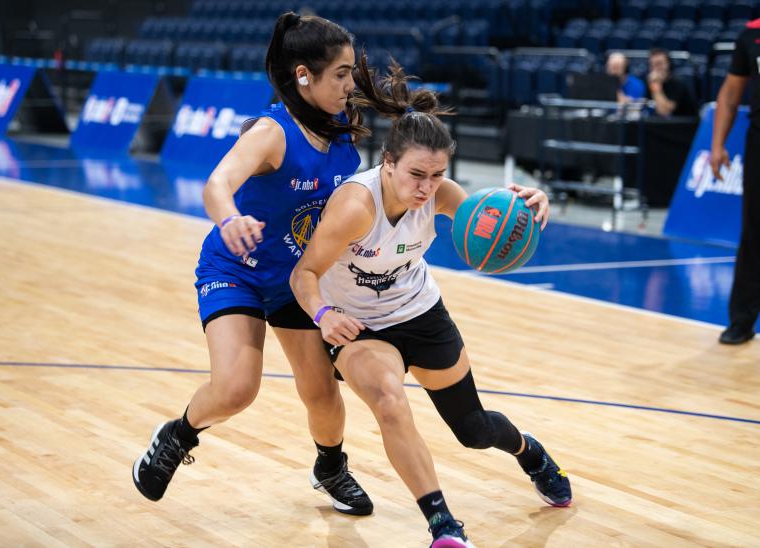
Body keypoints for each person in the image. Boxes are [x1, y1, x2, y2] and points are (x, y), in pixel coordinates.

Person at [290, 58, 572, 548]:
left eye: (437, 175)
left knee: (474, 429)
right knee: (390, 403)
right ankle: (443, 523)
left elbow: (489, 222)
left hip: (421, 313)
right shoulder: (356, 206)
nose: (426, 188)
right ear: (389, 163)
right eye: (416, 174)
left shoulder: (441, 194)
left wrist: (529, 203)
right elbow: (304, 274)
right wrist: (323, 313)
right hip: (360, 326)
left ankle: (532, 454)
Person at [132, 12, 375, 516]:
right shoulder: (272, 131)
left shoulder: (344, 135)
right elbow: (216, 184)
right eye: (341, 74)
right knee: (236, 390)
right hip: (235, 270)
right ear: (303, 75)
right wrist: (229, 220)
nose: (351, 84)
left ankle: (330, 467)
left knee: (322, 394)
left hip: (294, 279)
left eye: (351, 72)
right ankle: (178, 435)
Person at [709, 19, 760, 345]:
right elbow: (730, 93)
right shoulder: (751, 33)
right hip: (759, 141)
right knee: (754, 232)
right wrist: (717, 145)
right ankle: (741, 321)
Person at [646, 48, 697, 117]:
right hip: (661, 124)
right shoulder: (650, 82)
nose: (656, 69)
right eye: (653, 65)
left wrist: (656, 86)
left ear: (669, 64)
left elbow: (664, 112)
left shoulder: (678, 83)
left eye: (659, 64)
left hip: (682, 123)